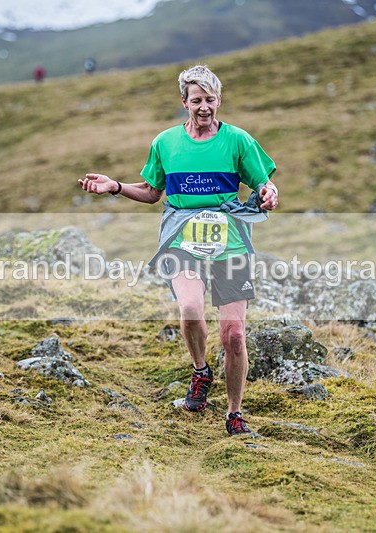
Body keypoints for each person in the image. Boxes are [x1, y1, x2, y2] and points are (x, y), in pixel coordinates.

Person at [80, 65, 279, 436]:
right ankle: (201, 371)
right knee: (190, 307)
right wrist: (116, 186)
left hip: (230, 242)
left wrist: (269, 195)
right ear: (184, 102)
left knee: (234, 335)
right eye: (197, 100)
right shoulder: (166, 143)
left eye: (211, 100)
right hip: (181, 238)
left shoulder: (237, 141)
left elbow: (266, 185)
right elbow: (153, 191)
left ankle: (234, 414)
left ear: (219, 100)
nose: (205, 107)